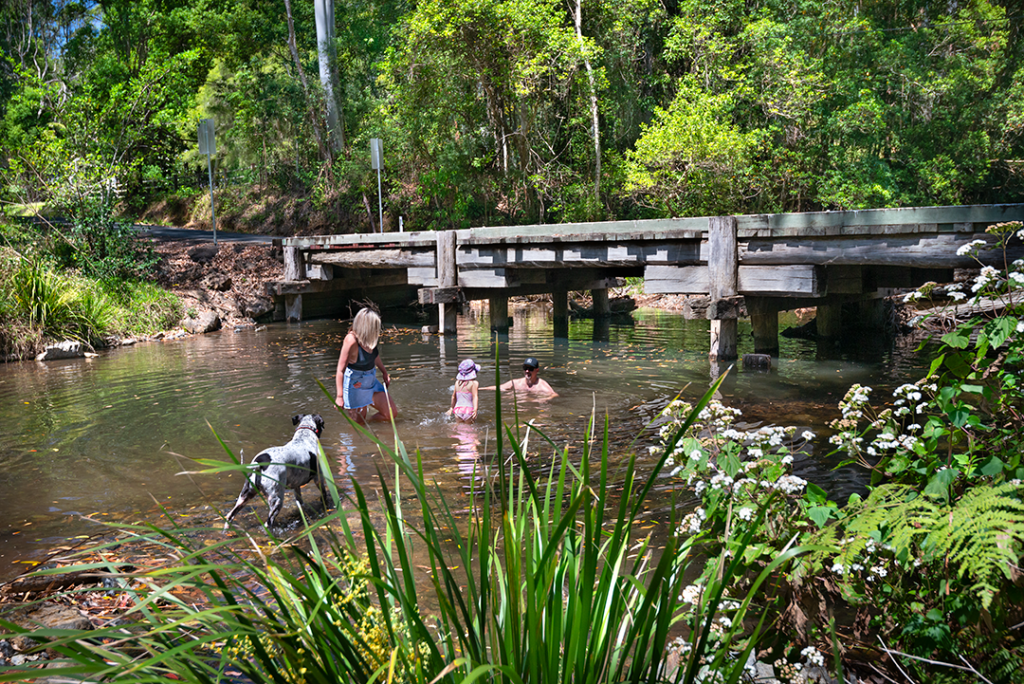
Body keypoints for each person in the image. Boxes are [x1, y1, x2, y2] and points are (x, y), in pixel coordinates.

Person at [335, 307, 398, 424]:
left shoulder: (369, 338)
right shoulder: (351, 340)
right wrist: (339, 396)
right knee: (359, 425)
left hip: (371, 380)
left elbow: (374, 355)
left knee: (391, 413)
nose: (377, 331)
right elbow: (340, 370)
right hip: (356, 384)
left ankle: (371, 423)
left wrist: (384, 372)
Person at [481, 357, 557, 398]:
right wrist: (479, 389)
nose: (527, 371)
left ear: (537, 370)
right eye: (525, 368)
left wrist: (542, 399)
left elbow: (554, 395)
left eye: (530, 369)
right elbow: (498, 387)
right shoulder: (517, 383)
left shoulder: (541, 385)